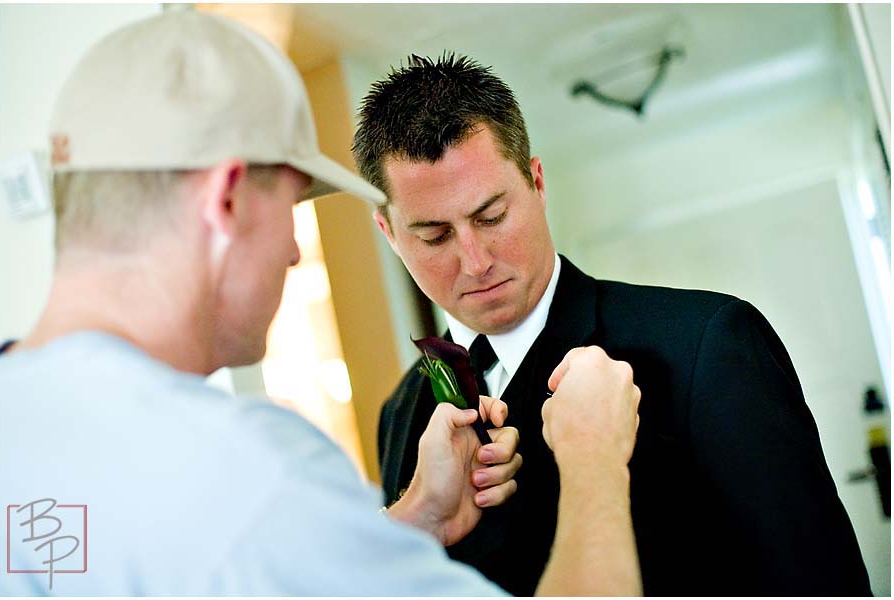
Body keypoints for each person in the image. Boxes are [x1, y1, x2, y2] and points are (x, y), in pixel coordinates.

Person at [0, 11, 643, 597]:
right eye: (291, 209)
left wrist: (414, 518)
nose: (293, 255)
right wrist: (593, 463)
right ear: (226, 201)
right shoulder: (253, 481)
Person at [353, 53, 873, 596]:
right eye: (435, 236)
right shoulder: (399, 413)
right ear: (390, 233)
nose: (476, 260)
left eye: (492, 216)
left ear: (535, 182)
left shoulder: (707, 343)